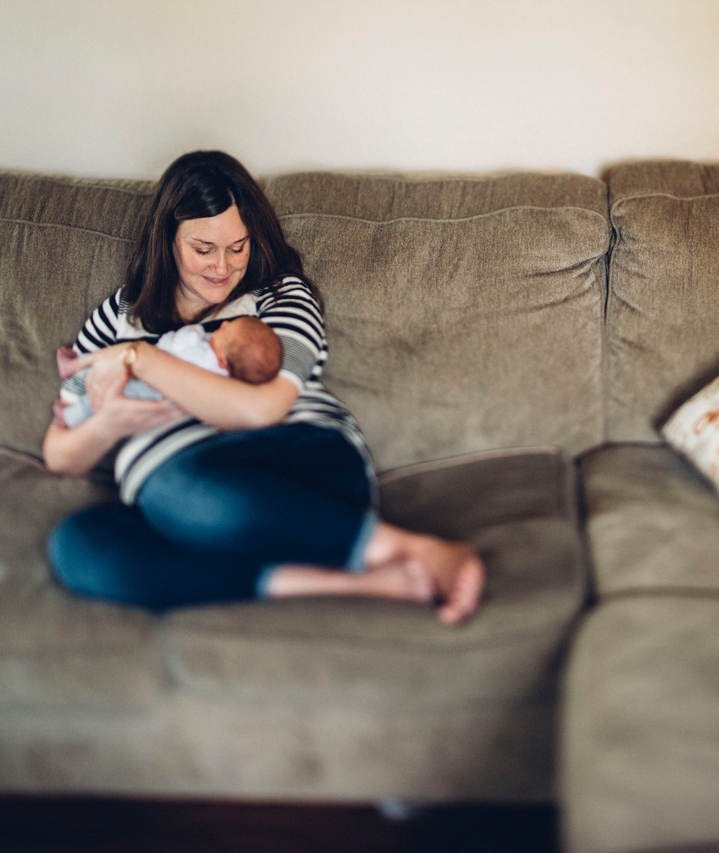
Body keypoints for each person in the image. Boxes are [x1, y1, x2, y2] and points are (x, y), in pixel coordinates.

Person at [44, 150, 484, 626]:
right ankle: (346, 582)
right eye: (203, 249)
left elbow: (263, 409)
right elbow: (59, 453)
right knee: (80, 546)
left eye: (238, 247)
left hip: (292, 468)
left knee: (184, 492)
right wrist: (108, 424)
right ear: (167, 241)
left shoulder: (281, 296)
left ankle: (414, 548)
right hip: (174, 502)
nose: (223, 267)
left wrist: (141, 359)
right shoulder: (119, 316)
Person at [56, 316, 282, 428]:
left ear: (223, 360)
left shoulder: (202, 350)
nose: (221, 326)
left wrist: (197, 330)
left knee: (106, 383)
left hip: (151, 387)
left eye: (226, 329)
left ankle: (70, 410)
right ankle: (71, 407)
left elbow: (177, 343)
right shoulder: (226, 378)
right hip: (157, 392)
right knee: (106, 388)